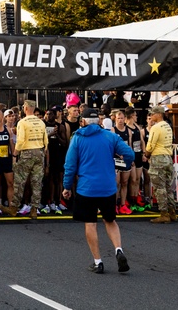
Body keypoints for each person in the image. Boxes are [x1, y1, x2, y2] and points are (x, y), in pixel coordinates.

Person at [62, 107, 134, 274]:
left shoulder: (78, 138)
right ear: (99, 121)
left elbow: (70, 166)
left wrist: (67, 187)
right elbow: (128, 153)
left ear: (83, 121)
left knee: (90, 223)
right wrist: (126, 164)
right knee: (110, 220)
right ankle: (118, 250)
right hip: (108, 187)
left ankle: (98, 261)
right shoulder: (110, 136)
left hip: (87, 188)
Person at [2, 99, 48, 219]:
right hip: (40, 151)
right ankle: (34, 210)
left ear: (26, 108)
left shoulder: (22, 122)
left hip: (27, 152)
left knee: (20, 181)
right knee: (37, 182)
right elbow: (46, 141)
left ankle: (14, 207)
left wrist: (14, 154)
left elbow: (21, 140)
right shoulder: (41, 122)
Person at [145, 105, 178, 223]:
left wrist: (146, 155)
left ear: (159, 114)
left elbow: (150, 145)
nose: (151, 116)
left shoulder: (155, 127)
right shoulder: (167, 126)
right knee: (168, 187)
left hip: (158, 158)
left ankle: (164, 214)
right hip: (168, 157)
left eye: (153, 114)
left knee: (159, 188)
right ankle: (172, 212)